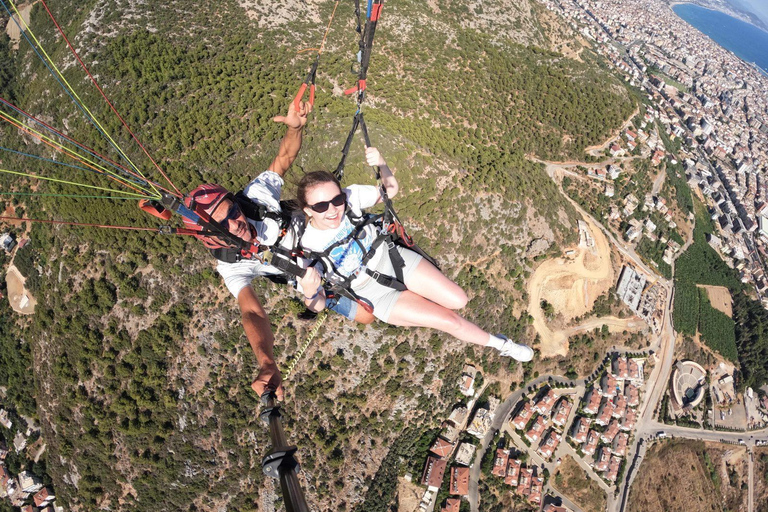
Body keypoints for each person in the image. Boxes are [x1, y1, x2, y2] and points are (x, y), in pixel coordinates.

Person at [182, 101, 374, 401]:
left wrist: (295, 127)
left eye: (233, 210)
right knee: (366, 316)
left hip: (324, 233)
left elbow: (284, 157)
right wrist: (266, 362)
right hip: (312, 275)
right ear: (212, 238)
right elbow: (251, 311)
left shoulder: (254, 199)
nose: (237, 221)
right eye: (224, 225)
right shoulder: (232, 265)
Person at [294, 147, 534, 362]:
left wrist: (381, 162)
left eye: (336, 200)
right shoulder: (306, 247)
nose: (333, 210)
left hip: (393, 259)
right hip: (374, 295)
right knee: (449, 321)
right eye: (321, 206)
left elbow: (391, 189)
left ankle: (498, 340)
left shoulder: (351, 197)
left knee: (459, 300)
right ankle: (503, 345)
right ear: (308, 210)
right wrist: (308, 291)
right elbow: (318, 304)